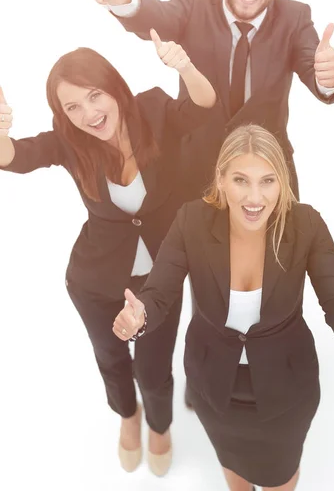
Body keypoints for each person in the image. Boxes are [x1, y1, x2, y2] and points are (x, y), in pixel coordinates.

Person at [0, 31, 217, 475]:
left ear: (113, 87)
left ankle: (159, 425)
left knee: (154, 368)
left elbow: (203, 107)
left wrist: (186, 67)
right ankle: (128, 416)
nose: (88, 114)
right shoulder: (68, 142)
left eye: (94, 96)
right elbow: (17, 157)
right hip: (95, 282)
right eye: (72, 107)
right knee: (112, 359)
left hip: (160, 280)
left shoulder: (155, 109)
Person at [113, 124, 334, 491]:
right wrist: (139, 316)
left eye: (267, 181)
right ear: (220, 180)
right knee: (232, 468)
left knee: (280, 478)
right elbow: (159, 292)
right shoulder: (191, 220)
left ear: (282, 182)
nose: (255, 197)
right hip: (213, 387)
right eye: (241, 180)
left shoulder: (306, 223)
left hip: (286, 391)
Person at [89, 0, 334, 203]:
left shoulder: (294, 18)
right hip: (194, 175)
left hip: (267, 177)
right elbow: (160, 17)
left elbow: (317, 68)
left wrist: (329, 77)